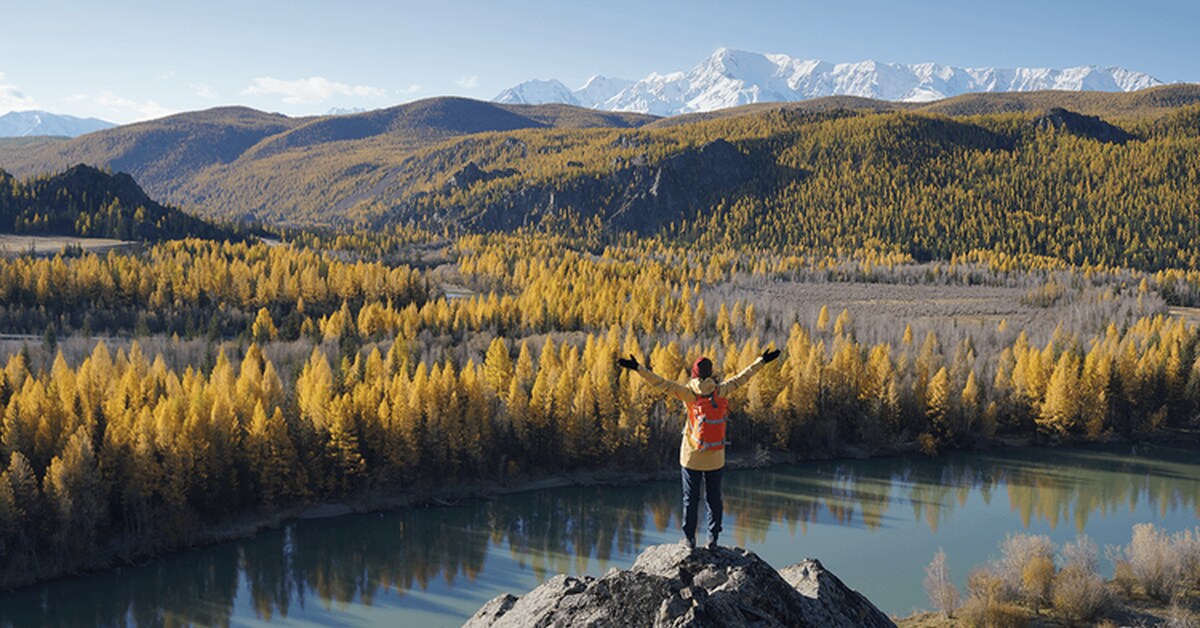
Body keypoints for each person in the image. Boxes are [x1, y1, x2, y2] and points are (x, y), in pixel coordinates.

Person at [617, 347, 781, 550]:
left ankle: (689, 539)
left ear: (694, 374)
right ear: (710, 373)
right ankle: (712, 538)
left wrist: (638, 368)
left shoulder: (689, 394)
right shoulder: (720, 391)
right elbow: (742, 377)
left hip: (691, 456)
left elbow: (661, 383)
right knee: (714, 498)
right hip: (715, 456)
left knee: (690, 499)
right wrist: (761, 361)